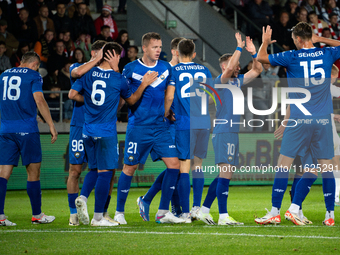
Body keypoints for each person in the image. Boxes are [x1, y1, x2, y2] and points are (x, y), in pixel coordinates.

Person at [255, 23, 340, 226]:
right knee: (326, 167)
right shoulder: (326, 54)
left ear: (299, 39)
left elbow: (261, 58)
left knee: (284, 165)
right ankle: (330, 216)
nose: (294, 42)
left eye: (294, 39)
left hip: (299, 119)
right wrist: (321, 40)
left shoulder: (292, 56)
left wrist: (265, 42)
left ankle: (275, 211)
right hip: (322, 120)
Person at [69, 42, 156, 226]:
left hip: (87, 130)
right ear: (113, 56)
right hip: (106, 131)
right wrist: (144, 84)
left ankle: (83, 198)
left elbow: (72, 93)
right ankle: (98, 217)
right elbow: (131, 100)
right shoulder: (118, 79)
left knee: (93, 168)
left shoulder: (88, 73)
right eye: (119, 55)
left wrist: (90, 102)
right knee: (106, 173)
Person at [114, 32, 184, 225]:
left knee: (174, 165)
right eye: (154, 47)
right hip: (139, 127)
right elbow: (128, 99)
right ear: (144, 48)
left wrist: (167, 111)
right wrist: (144, 83)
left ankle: (162, 212)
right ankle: (119, 212)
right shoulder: (130, 69)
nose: (158, 50)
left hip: (160, 127)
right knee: (130, 168)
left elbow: (166, 95)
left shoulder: (165, 68)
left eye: (160, 47)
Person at [198, 33, 262, 225]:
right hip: (224, 131)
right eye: (234, 64)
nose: (238, 67)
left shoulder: (236, 81)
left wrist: (253, 53)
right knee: (226, 172)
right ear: (225, 66)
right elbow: (228, 71)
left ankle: (204, 210)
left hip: (231, 132)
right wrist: (239, 47)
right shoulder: (221, 80)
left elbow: (257, 70)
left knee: (224, 174)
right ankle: (223, 216)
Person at [0, 51, 58, 226]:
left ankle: (0, 216)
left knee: (3, 174)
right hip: (27, 130)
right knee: (33, 172)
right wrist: (51, 124)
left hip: (6, 130)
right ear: (35, 64)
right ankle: (37, 215)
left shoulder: (3, 75)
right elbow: (39, 100)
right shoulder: (34, 75)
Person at [161, 38, 213, 223]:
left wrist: (166, 113)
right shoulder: (204, 70)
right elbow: (212, 94)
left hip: (184, 123)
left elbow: (169, 96)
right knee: (197, 165)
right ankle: (196, 208)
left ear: (177, 52)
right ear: (194, 54)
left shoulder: (173, 71)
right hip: (203, 122)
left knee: (184, 167)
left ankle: (184, 212)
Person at [136, 37, 185, 221]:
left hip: (178, 122)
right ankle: (157, 203)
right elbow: (162, 96)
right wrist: (166, 113)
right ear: (174, 52)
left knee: (177, 167)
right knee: (176, 166)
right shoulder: (164, 68)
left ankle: (168, 206)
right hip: (165, 124)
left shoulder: (176, 69)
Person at [66, 40, 108, 226]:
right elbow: (76, 73)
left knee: (104, 169)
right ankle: (73, 214)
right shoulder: (78, 67)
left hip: (99, 125)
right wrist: (96, 60)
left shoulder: (107, 72)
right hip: (79, 124)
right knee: (75, 170)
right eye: (102, 54)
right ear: (93, 53)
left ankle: (103, 212)